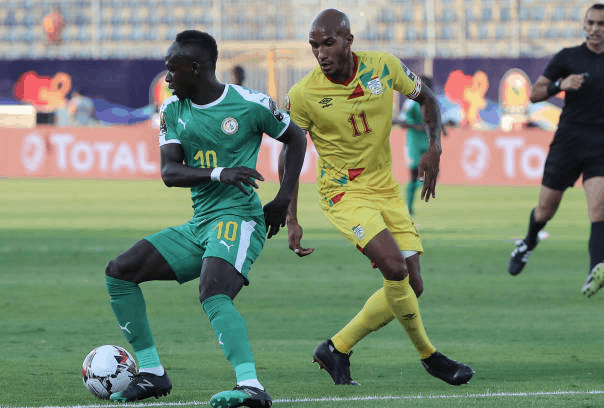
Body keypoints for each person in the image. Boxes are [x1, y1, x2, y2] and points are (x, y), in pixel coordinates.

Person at [105, 29, 306, 407]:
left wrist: (283, 198)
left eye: (171, 69)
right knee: (119, 272)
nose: (166, 79)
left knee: (213, 291)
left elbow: (295, 138)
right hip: (201, 224)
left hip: (240, 218)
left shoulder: (250, 103)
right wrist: (219, 172)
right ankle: (151, 373)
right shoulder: (172, 109)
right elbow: (170, 172)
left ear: (194, 69)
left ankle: (251, 387)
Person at [278, 9, 474, 387]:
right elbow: (290, 153)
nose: (321, 53)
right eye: (314, 46)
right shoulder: (304, 95)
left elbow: (429, 99)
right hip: (343, 193)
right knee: (395, 269)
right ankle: (430, 357)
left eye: (328, 43)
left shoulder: (383, 67)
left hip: (384, 187)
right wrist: (291, 216)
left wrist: (435, 148)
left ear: (349, 40)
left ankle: (337, 348)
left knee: (412, 286)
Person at [507, 3, 604, 298]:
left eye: (601, 23)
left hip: (600, 145)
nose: (596, 28)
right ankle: (528, 241)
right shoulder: (568, 57)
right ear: (584, 24)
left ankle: (595, 270)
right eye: (591, 23)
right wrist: (561, 84)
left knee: (599, 210)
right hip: (568, 142)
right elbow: (534, 94)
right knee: (546, 209)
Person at [392, 76, 445, 216]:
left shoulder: (432, 102)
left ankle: (421, 187)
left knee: (434, 171)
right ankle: (408, 207)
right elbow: (403, 122)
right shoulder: (411, 103)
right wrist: (420, 127)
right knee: (414, 175)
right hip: (413, 143)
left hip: (428, 143)